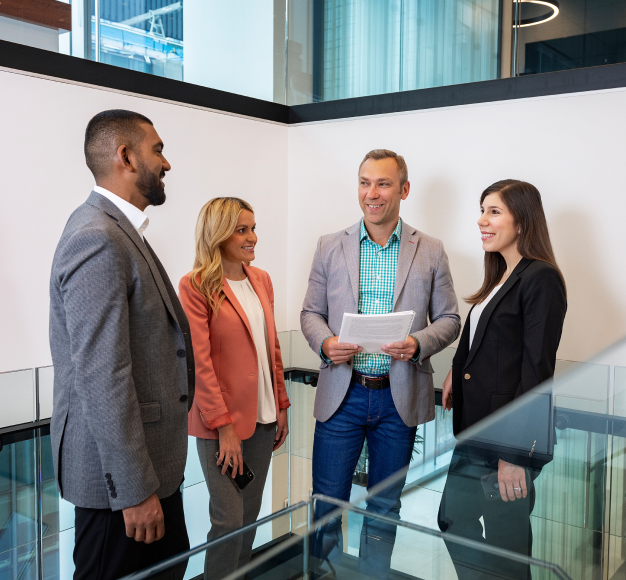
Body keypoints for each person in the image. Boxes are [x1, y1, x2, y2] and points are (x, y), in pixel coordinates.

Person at [301, 149, 461, 574]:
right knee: (327, 502)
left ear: (404, 190)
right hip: (342, 393)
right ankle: (325, 573)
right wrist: (325, 343)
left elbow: (450, 320)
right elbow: (309, 314)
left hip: (398, 397)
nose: (372, 193)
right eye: (364, 182)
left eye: (383, 183)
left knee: (385, 506)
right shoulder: (329, 246)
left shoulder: (430, 250)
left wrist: (418, 343)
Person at [49, 110, 194, 579]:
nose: (167, 163)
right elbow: (102, 375)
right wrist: (134, 491)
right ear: (126, 157)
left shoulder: (120, 231)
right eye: (158, 150)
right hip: (124, 490)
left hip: (151, 472)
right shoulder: (97, 238)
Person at [438, 179, 567, 579]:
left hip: (509, 440)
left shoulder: (540, 278)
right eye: (482, 210)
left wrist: (514, 456)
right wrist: (455, 373)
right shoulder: (500, 275)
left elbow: (536, 372)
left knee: (506, 543)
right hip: (478, 432)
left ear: (523, 222)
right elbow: (481, 340)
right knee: (452, 521)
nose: (482, 220)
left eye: (494, 211)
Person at [179, 198, 290, 580]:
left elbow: (271, 348)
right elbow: (200, 362)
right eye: (242, 230)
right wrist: (223, 427)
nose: (252, 237)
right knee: (228, 520)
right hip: (220, 425)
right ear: (219, 233)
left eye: (253, 228)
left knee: (249, 517)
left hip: (263, 418)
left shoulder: (261, 280)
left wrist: (282, 407)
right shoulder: (195, 285)